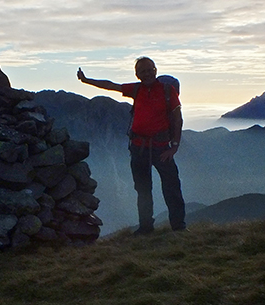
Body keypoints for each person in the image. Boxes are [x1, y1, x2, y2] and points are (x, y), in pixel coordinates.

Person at [77, 56, 187, 235]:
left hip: (161, 148)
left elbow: (177, 118)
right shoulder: (137, 90)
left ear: (155, 70)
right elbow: (111, 85)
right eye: (143, 71)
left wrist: (174, 147)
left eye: (150, 69)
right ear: (137, 74)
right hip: (139, 147)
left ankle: (178, 227)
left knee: (171, 187)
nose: (147, 73)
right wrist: (87, 80)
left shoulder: (168, 90)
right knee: (143, 189)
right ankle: (146, 228)